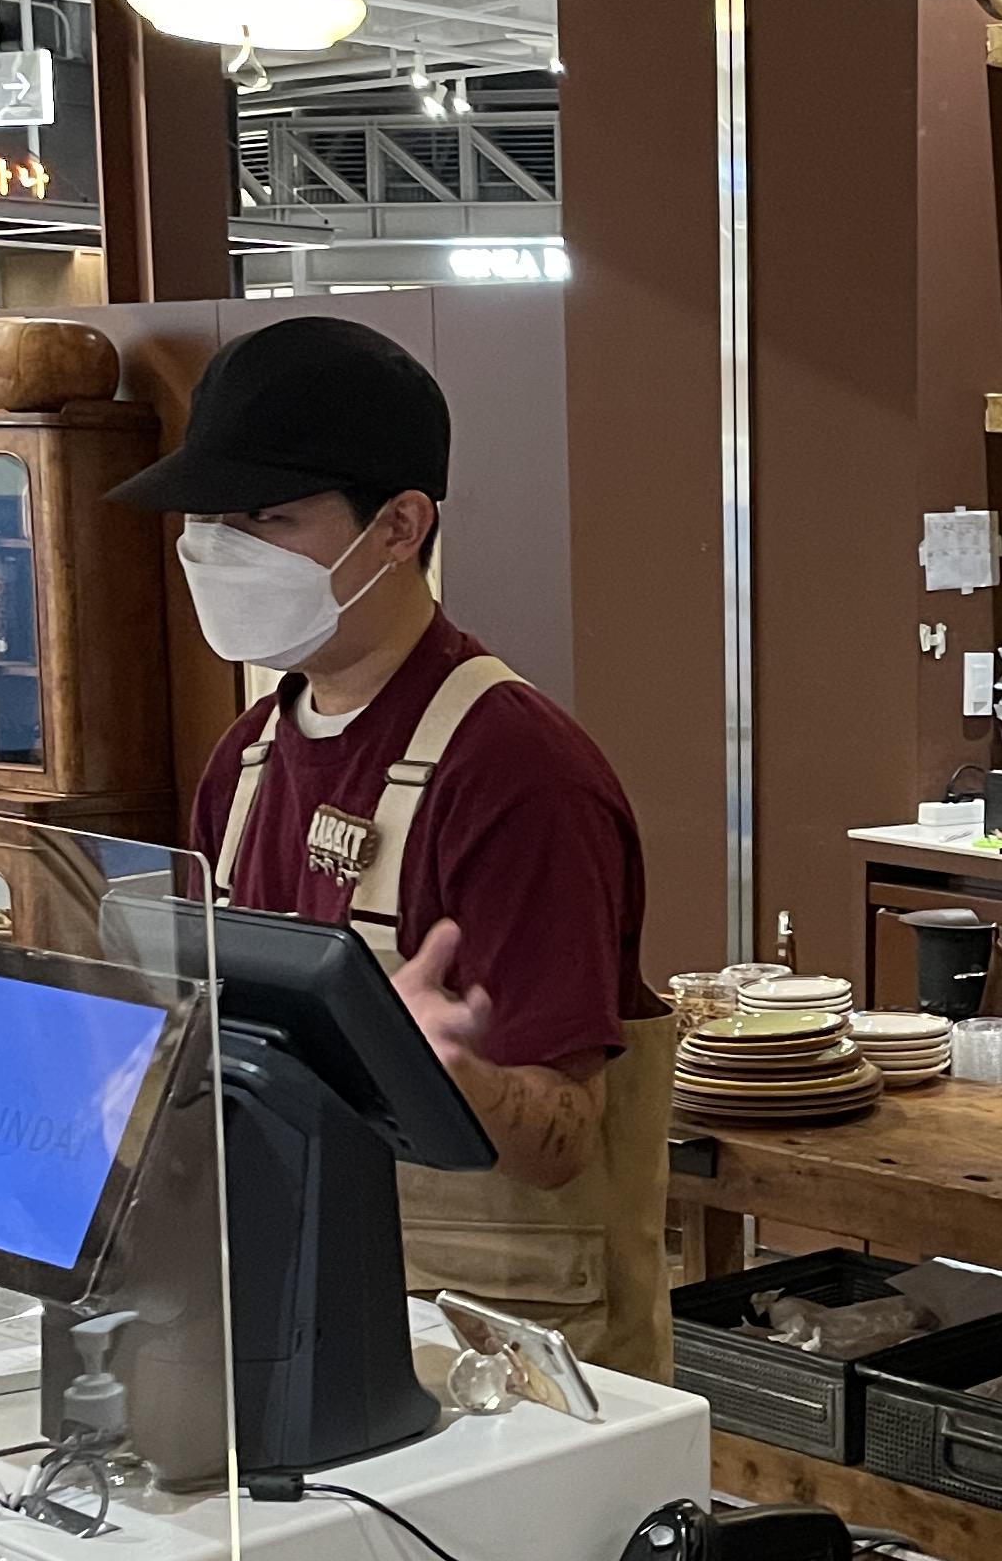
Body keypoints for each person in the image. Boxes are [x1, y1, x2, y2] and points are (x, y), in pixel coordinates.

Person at [111, 313, 673, 1380]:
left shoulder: (517, 771)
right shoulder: (246, 763)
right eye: (208, 520)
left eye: (266, 518)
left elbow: (565, 1143)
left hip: (504, 1363)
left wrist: (449, 1071)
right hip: (298, 1311)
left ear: (400, 525)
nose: (218, 551)